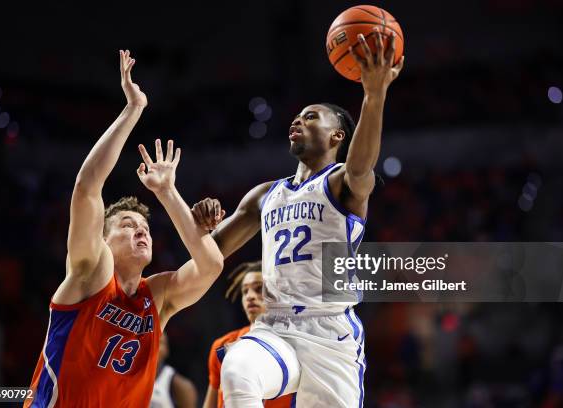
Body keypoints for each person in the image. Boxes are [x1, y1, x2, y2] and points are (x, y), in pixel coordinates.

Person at [192, 30, 404, 407]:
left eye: (310, 117)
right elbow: (210, 252)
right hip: (275, 326)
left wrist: (374, 95)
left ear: (337, 135)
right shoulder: (264, 195)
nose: (297, 121)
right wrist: (198, 224)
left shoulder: (343, 183)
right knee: (237, 369)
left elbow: (361, 166)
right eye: (296, 117)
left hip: (329, 332)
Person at [25, 50, 224, 407]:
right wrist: (133, 109)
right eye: (128, 225)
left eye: (145, 226)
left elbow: (211, 266)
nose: (141, 231)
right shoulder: (92, 273)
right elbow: (87, 187)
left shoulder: (157, 297)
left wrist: (167, 192)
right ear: (102, 240)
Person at [203, 261, 293, 408]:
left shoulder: (294, 342)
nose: (250, 296)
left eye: (259, 289)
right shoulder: (222, 345)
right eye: (245, 291)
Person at [151, 333, 198, 408]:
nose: (153, 346)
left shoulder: (180, 386)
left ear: (166, 350)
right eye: (148, 342)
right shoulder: (128, 377)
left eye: (159, 342)